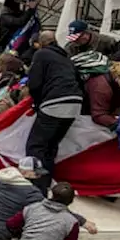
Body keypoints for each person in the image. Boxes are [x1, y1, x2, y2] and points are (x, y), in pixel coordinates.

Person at [25, 31, 83, 192]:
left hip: (55, 102)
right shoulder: (67, 59)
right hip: (74, 104)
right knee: (51, 146)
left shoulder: (41, 55)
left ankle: (36, 188)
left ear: (41, 43)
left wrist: (37, 103)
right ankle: (47, 182)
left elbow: (35, 83)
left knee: (36, 146)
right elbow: (78, 81)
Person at [9, 184, 99, 240]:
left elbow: (11, 224)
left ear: (51, 194)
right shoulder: (71, 222)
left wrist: (26, 235)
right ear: (71, 201)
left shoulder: (32, 208)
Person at [85, 61, 120, 128]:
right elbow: (98, 115)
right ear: (117, 78)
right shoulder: (101, 88)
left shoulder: (113, 80)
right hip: (88, 114)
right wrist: (118, 123)